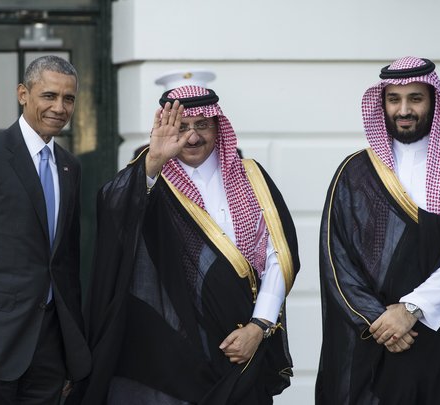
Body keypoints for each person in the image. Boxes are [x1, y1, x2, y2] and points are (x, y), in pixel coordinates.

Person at [78, 85, 300, 404]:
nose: (193, 137)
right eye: (182, 127)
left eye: (201, 125)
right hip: (174, 350)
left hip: (242, 343)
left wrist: (259, 326)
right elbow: (112, 207)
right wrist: (154, 159)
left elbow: (278, 256)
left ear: (217, 126)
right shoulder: (152, 180)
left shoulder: (252, 177)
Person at [315, 56, 440, 404]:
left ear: (434, 101)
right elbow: (337, 260)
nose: (404, 109)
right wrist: (381, 320)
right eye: (394, 99)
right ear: (382, 104)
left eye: (416, 98)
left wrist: (411, 309)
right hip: (381, 340)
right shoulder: (355, 171)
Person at [0, 55, 91, 404]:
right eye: (49, 96)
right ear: (23, 94)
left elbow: (65, 264)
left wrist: (71, 349)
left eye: (68, 99)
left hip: (51, 349)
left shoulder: (70, 167)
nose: (59, 107)